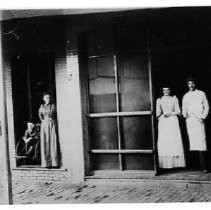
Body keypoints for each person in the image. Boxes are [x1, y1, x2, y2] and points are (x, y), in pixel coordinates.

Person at [182, 76, 209, 173]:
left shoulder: (201, 93)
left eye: (192, 83)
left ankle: (204, 166)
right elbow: (184, 109)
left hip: (199, 121)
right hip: (190, 121)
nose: (191, 85)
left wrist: (203, 117)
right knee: (193, 143)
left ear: (195, 84)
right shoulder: (185, 96)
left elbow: (206, 106)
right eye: (189, 83)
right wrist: (185, 113)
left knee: (201, 142)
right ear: (187, 85)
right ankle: (196, 166)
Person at [156, 86, 186, 169]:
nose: (166, 91)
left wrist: (170, 113)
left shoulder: (174, 99)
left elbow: (178, 112)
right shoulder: (159, 100)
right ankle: (165, 164)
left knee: (173, 140)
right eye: (164, 90)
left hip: (173, 120)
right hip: (164, 121)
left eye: (167, 90)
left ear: (170, 90)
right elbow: (157, 113)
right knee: (165, 141)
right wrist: (161, 116)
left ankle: (175, 164)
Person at [38, 92, 59, 168]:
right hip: (44, 125)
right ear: (43, 99)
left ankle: (54, 163)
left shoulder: (53, 106)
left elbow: (56, 114)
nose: (48, 99)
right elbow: (40, 115)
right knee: (45, 142)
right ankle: (46, 163)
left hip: (52, 124)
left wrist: (52, 120)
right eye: (47, 98)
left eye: (49, 97)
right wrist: (43, 120)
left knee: (52, 141)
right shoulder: (42, 106)